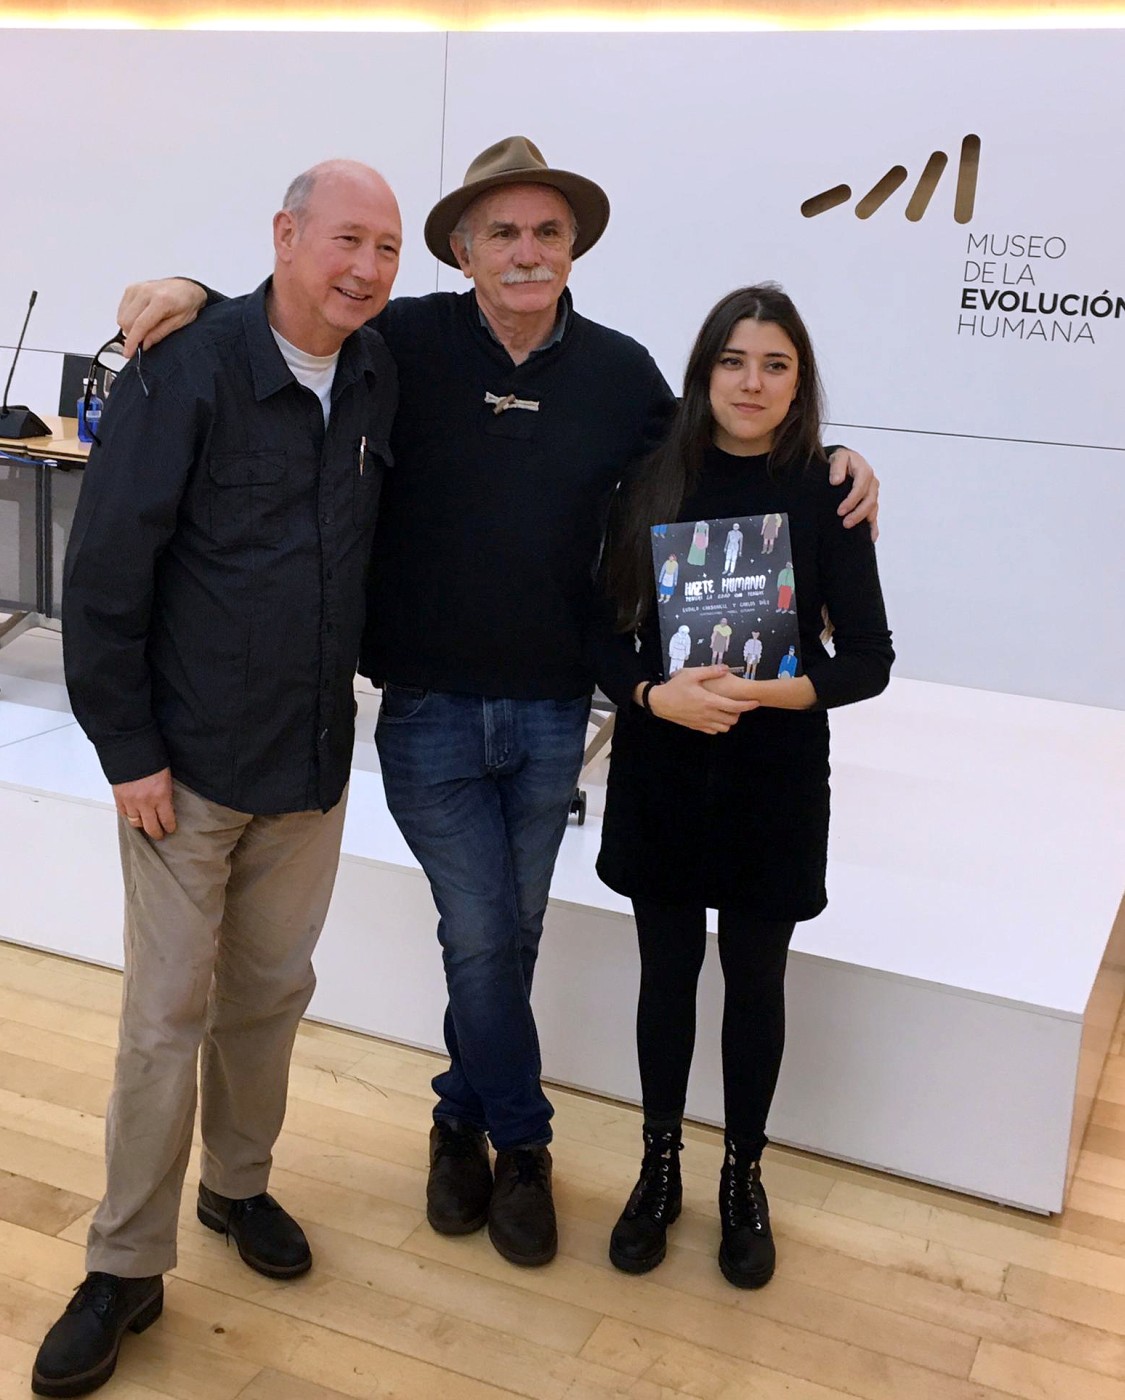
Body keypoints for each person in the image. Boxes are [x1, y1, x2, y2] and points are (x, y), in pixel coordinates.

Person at [112, 137, 882, 1270]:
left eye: (547, 232)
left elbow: (728, 437)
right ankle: (525, 1141)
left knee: (509, 936)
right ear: (463, 250)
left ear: (573, 249)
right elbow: (296, 313)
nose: (528, 252)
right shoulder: (398, 342)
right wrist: (192, 290)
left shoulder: (620, 374)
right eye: (504, 233)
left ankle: (459, 1121)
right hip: (427, 708)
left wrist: (840, 456)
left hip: (553, 714)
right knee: (478, 931)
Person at [33, 161, 400, 1398]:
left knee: (272, 992)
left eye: (388, 247)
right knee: (163, 1014)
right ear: (285, 235)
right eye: (346, 240)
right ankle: (123, 1261)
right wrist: (126, 747)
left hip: (308, 763)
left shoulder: (379, 370)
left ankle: (236, 1185)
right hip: (183, 770)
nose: (367, 267)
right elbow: (104, 571)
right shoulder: (182, 367)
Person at [595, 284, 893, 1289]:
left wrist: (770, 693)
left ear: (799, 382)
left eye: (775, 364)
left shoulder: (826, 492)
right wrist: (651, 695)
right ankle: (659, 1168)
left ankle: (742, 1178)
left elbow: (870, 660)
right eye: (733, 360)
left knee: (756, 981)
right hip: (664, 764)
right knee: (666, 974)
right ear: (704, 371)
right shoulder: (649, 478)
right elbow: (600, 634)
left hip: (773, 775)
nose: (752, 382)